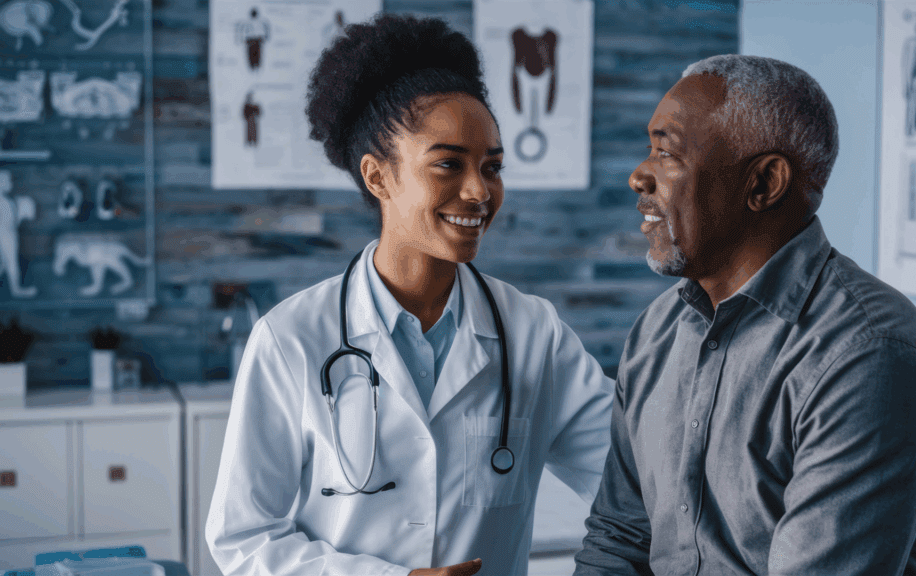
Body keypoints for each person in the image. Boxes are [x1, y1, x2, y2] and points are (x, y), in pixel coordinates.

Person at [205, 14, 614, 576]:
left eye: (491, 167)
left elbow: (631, 478)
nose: (478, 192)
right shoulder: (290, 338)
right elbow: (243, 539)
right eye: (448, 163)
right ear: (379, 177)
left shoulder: (532, 332)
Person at [573, 54, 916, 576]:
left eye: (666, 154)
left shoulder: (869, 354)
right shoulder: (657, 331)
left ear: (763, 184)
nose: (637, 176)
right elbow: (619, 540)